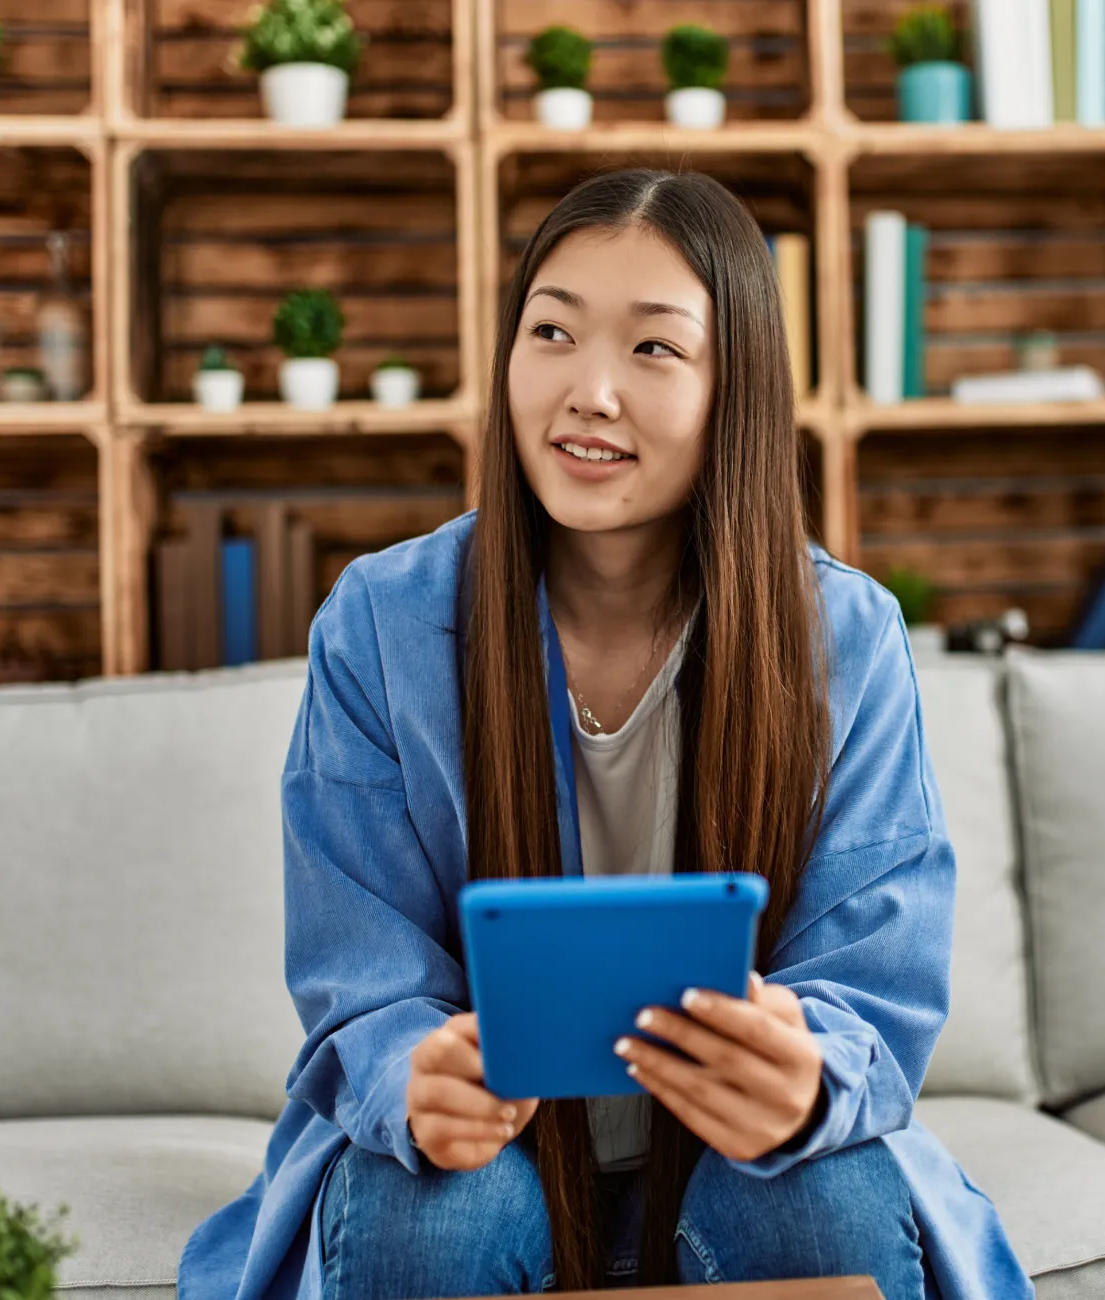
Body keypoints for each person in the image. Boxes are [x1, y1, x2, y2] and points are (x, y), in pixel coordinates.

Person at [176, 169, 1031, 1300]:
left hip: (734, 1166)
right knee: (432, 1216)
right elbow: (361, 970)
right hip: (492, 1166)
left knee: (822, 1194)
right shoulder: (383, 622)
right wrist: (413, 1076)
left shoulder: (844, 635)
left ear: (738, 389)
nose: (588, 392)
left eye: (653, 349)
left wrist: (805, 1074)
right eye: (552, 332)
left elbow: (872, 969)